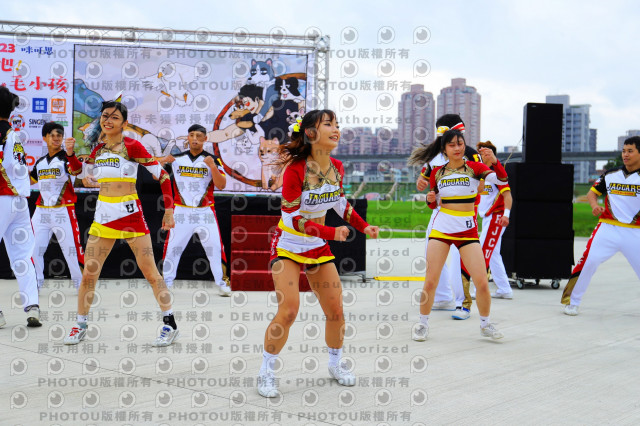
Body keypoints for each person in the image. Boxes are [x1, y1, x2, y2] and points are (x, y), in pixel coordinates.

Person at [257, 110, 379, 397]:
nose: (336, 129)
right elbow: (292, 220)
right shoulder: (295, 170)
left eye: (337, 124)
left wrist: (363, 226)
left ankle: (335, 364)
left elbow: (340, 203)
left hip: (317, 247)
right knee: (289, 311)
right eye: (328, 124)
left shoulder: (337, 166)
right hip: (288, 245)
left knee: (336, 311)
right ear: (311, 133)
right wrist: (330, 233)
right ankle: (266, 371)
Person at [63, 98, 178, 346]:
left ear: (124, 123)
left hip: (130, 217)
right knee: (89, 273)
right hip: (103, 217)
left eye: (114, 117)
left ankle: (170, 323)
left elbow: (163, 176)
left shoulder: (132, 145)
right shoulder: (98, 149)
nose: (108, 120)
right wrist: (70, 154)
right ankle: (80, 324)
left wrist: (168, 211)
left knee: (150, 272)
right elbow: (78, 173)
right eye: (105, 116)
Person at [412, 129, 507, 341]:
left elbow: (502, 180)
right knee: (430, 281)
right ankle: (422, 324)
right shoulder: (437, 172)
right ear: (444, 149)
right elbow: (434, 203)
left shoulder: (475, 167)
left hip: (467, 230)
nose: (457, 148)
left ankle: (485, 324)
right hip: (442, 229)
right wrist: (429, 199)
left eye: (460, 143)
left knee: (482, 282)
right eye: (452, 145)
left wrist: (495, 162)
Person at [409, 114, 482, 317]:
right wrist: (422, 183)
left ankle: (463, 303)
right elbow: (424, 178)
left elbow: (483, 180)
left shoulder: (471, 155)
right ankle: (442, 297)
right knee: (431, 254)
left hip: (464, 213)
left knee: (460, 258)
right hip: (440, 212)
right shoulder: (437, 156)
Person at [561, 136, 640, 315]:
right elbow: (592, 194)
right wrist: (594, 206)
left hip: (636, 232)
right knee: (589, 261)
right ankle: (572, 301)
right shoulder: (611, 174)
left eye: (630, 151)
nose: (625, 155)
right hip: (608, 228)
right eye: (624, 151)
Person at [162, 124, 231, 296]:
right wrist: (163, 162)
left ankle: (222, 283)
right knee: (173, 248)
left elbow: (222, 185)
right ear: (187, 137)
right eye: (191, 135)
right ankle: (166, 283)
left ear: (205, 139)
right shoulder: (177, 159)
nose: (194, 139)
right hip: (181, 211)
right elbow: (157, 175)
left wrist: (212, 167)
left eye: (199, 136)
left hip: (205, 212)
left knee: (215, 248)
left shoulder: (213, 159)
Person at [0, 86, 41, 328]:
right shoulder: (13, 134)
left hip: (2, 197)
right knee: (23, 256)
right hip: (20, 202)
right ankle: (32, 306)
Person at [30, 122, 84, 290]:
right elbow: (28, 181)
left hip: (63, 210)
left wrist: (71, 153)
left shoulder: (66, 158)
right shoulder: (40, 162)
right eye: (52, 135)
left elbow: (77, 171)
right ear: (44, 138)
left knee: (71, 251)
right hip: (41, 211)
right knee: (33, 249)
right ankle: (35, 284)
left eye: (59, 135)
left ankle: (81, 286)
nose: (56, 138)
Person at [476, 141, 513, 299]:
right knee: (493, 254)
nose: (481, 155)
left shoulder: (496, 174)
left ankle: (478, 289)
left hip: (496, 217)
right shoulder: (479, 173)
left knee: (482, 251)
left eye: (485, 153)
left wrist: (506, 215)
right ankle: (505, 289)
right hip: (486, 217)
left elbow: (508, 196)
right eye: (480, 152)